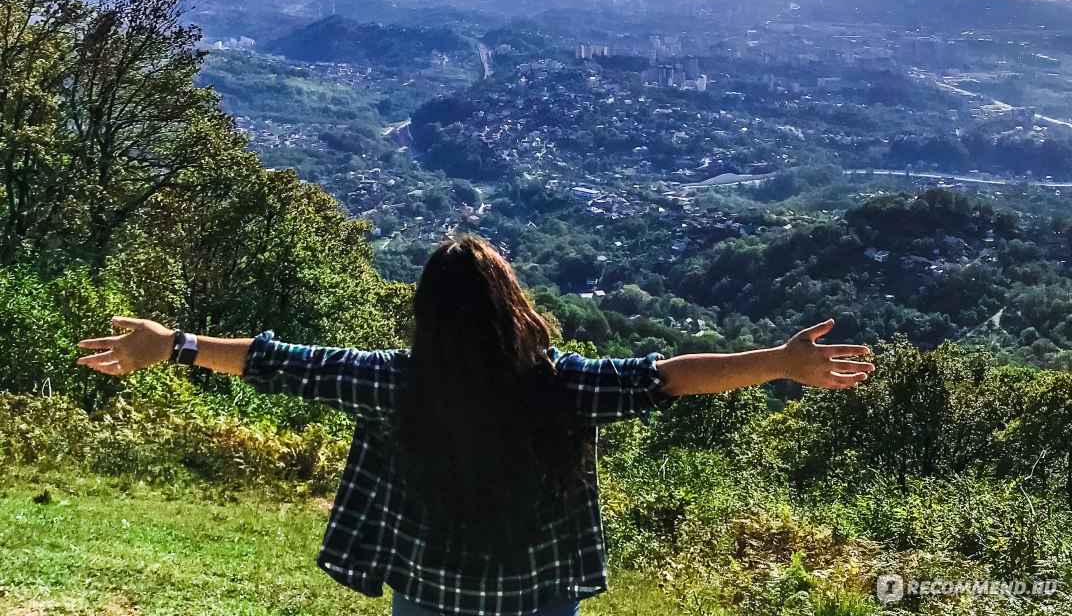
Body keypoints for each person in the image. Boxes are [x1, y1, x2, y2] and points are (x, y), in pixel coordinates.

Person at [77, 234, 873, 616]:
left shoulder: (391, 382)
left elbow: (278, 360)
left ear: (427, 313)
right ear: (513, 307)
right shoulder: (560, 388)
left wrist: (172, 346)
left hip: (426, 594)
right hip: (538, 598)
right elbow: (665, 378)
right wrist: (778, 361)